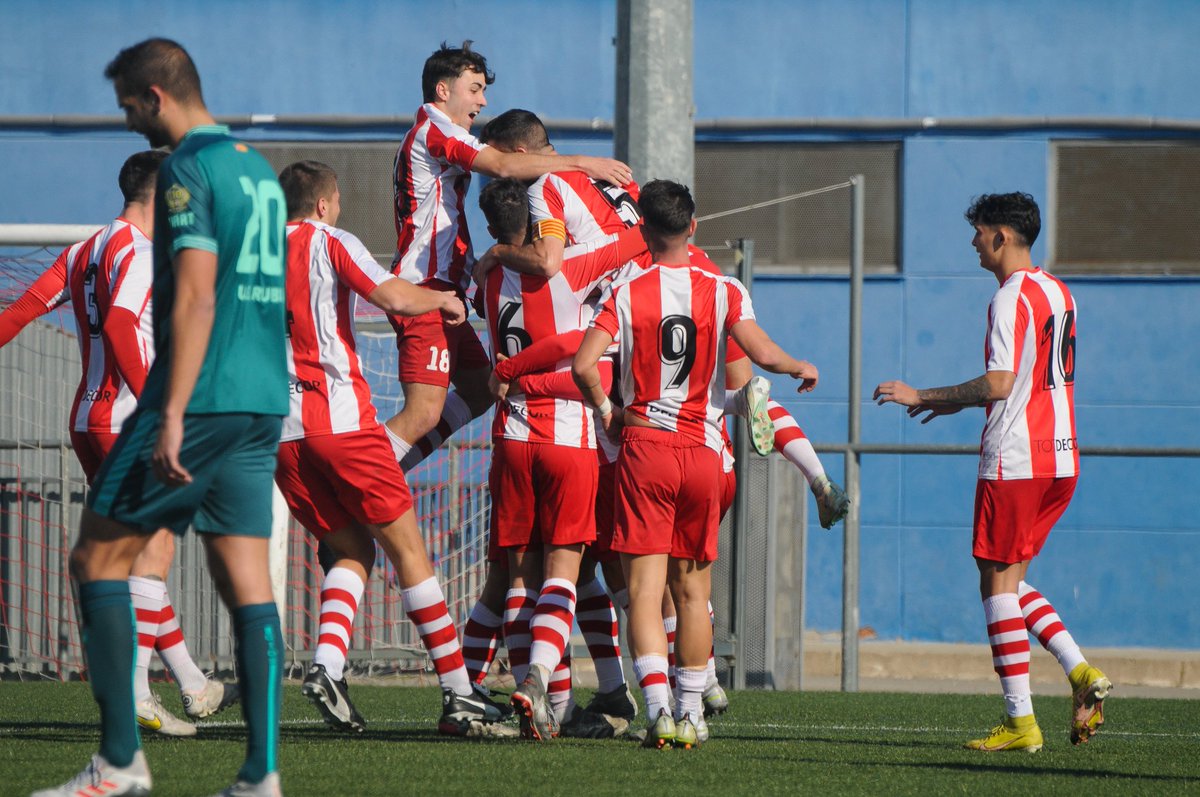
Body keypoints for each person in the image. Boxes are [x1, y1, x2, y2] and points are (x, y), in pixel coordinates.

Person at [34, 38, 290, 797]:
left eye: (127, 107)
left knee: (95, 561)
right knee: (248, 582)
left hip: (198, 397)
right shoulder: (258, 172)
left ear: (155, 94)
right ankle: (260, 775)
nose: (127, 122)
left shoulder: (185, 169)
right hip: (260, 401)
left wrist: (171, 409)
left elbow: (195, 294)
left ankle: (118, 763)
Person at [572, 180, 819, 749]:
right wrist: (798, 364)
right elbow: (759, 353)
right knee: (693, 590)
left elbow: (586, 364)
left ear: (643, 232)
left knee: (643, 586)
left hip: (647, 449)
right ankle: (692, 714)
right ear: (694, 227)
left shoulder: (626, 289)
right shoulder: (724, 289)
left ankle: (656, 709)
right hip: (705, 452)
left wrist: (610, 411)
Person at [0, 150, 239, 739]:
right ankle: (135, 696)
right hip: (128, 419)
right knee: (154, 553)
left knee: (141, 555)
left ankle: (191, 684)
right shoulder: (135, 249)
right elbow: (119, 324)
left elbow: (25, 309)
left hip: (88, 420)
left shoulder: (88, 247)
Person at [873, 192, 1110, 753]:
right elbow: (1027, 377)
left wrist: (924, 391)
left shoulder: (1008, 298)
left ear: (1001, 235)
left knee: (996, 587)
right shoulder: (1058, 290)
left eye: (978, 232)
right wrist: (954, 402)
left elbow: (1002, 382)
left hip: (1016, 458)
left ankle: (1021, 722)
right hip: (1060, 457)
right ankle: (1079, 673)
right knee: (1003, 581)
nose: (974, 242)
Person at [273, 160, 503, 736]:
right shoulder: (330, 240)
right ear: (325, 204)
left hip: (283, 437)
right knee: (411, 556)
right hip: (344, 428)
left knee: (353, 550)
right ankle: (458, 693)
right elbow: (391, 296)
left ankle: (326, 667)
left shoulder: (249, 256)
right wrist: (442, 302)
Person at [381, 42, 632, 475]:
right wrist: (581, 161)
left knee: (481, 392)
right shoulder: (434, 130)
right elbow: (500, 165)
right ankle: (356, 491)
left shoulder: (438, 136)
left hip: (448, 293)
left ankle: (384, 476)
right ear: (443, 91)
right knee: (423, 412)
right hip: (424, 289)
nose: (483, 101)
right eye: (474, 89)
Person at [475, 178, 647, 740]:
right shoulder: (568, 266)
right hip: (568, 438)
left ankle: (533, 696)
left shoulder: (487, 278)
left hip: (511, 439)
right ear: (541, 223)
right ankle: (543, 687)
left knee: (518, 577)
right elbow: (641, 240)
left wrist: (498, 250)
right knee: (566, 573)